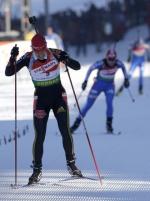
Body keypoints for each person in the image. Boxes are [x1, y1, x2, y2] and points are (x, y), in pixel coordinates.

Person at [5, 33, 82, 185]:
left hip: (59, 98)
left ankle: (71, 164)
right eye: (36, 51)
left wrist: (67, 58)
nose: (39, 54)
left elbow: (77, 66)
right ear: (32, 49)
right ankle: (37, 170)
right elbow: (9, 72)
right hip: (40, 101)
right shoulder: (28, 57)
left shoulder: (55, 53)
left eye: (41, 50)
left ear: (45, 47)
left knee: (65, 131)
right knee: (40, 135)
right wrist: (13, 57)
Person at [70, 49, 129, 134]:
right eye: (110, 59)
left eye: (113, 59)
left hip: (109, 86)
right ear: (106, 57)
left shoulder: (118, 63)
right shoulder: (101, 63)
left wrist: (126, 79)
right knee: (88, 105)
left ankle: (109, 125)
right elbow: (90, 69)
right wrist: (85, 81)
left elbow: (123, 68)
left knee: (110, 103)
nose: (111, 61)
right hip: (98, 85)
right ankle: (75, 125)